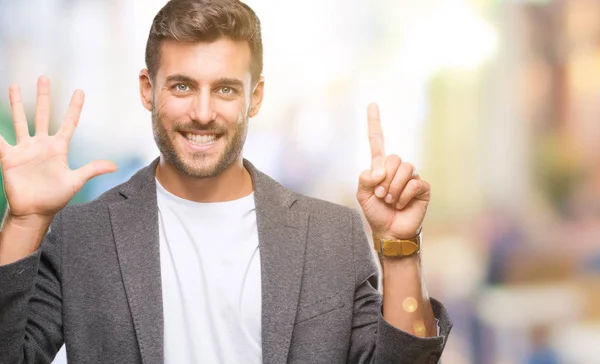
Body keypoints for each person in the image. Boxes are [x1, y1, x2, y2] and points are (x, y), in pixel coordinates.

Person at [0, 0, 451, 363]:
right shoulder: (83, 237)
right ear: (147, 89)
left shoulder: (332, 237)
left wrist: (400, 250)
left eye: (225, 89)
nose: (202, 111)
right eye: (181, 86)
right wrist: (24, 223)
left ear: (254, 97)